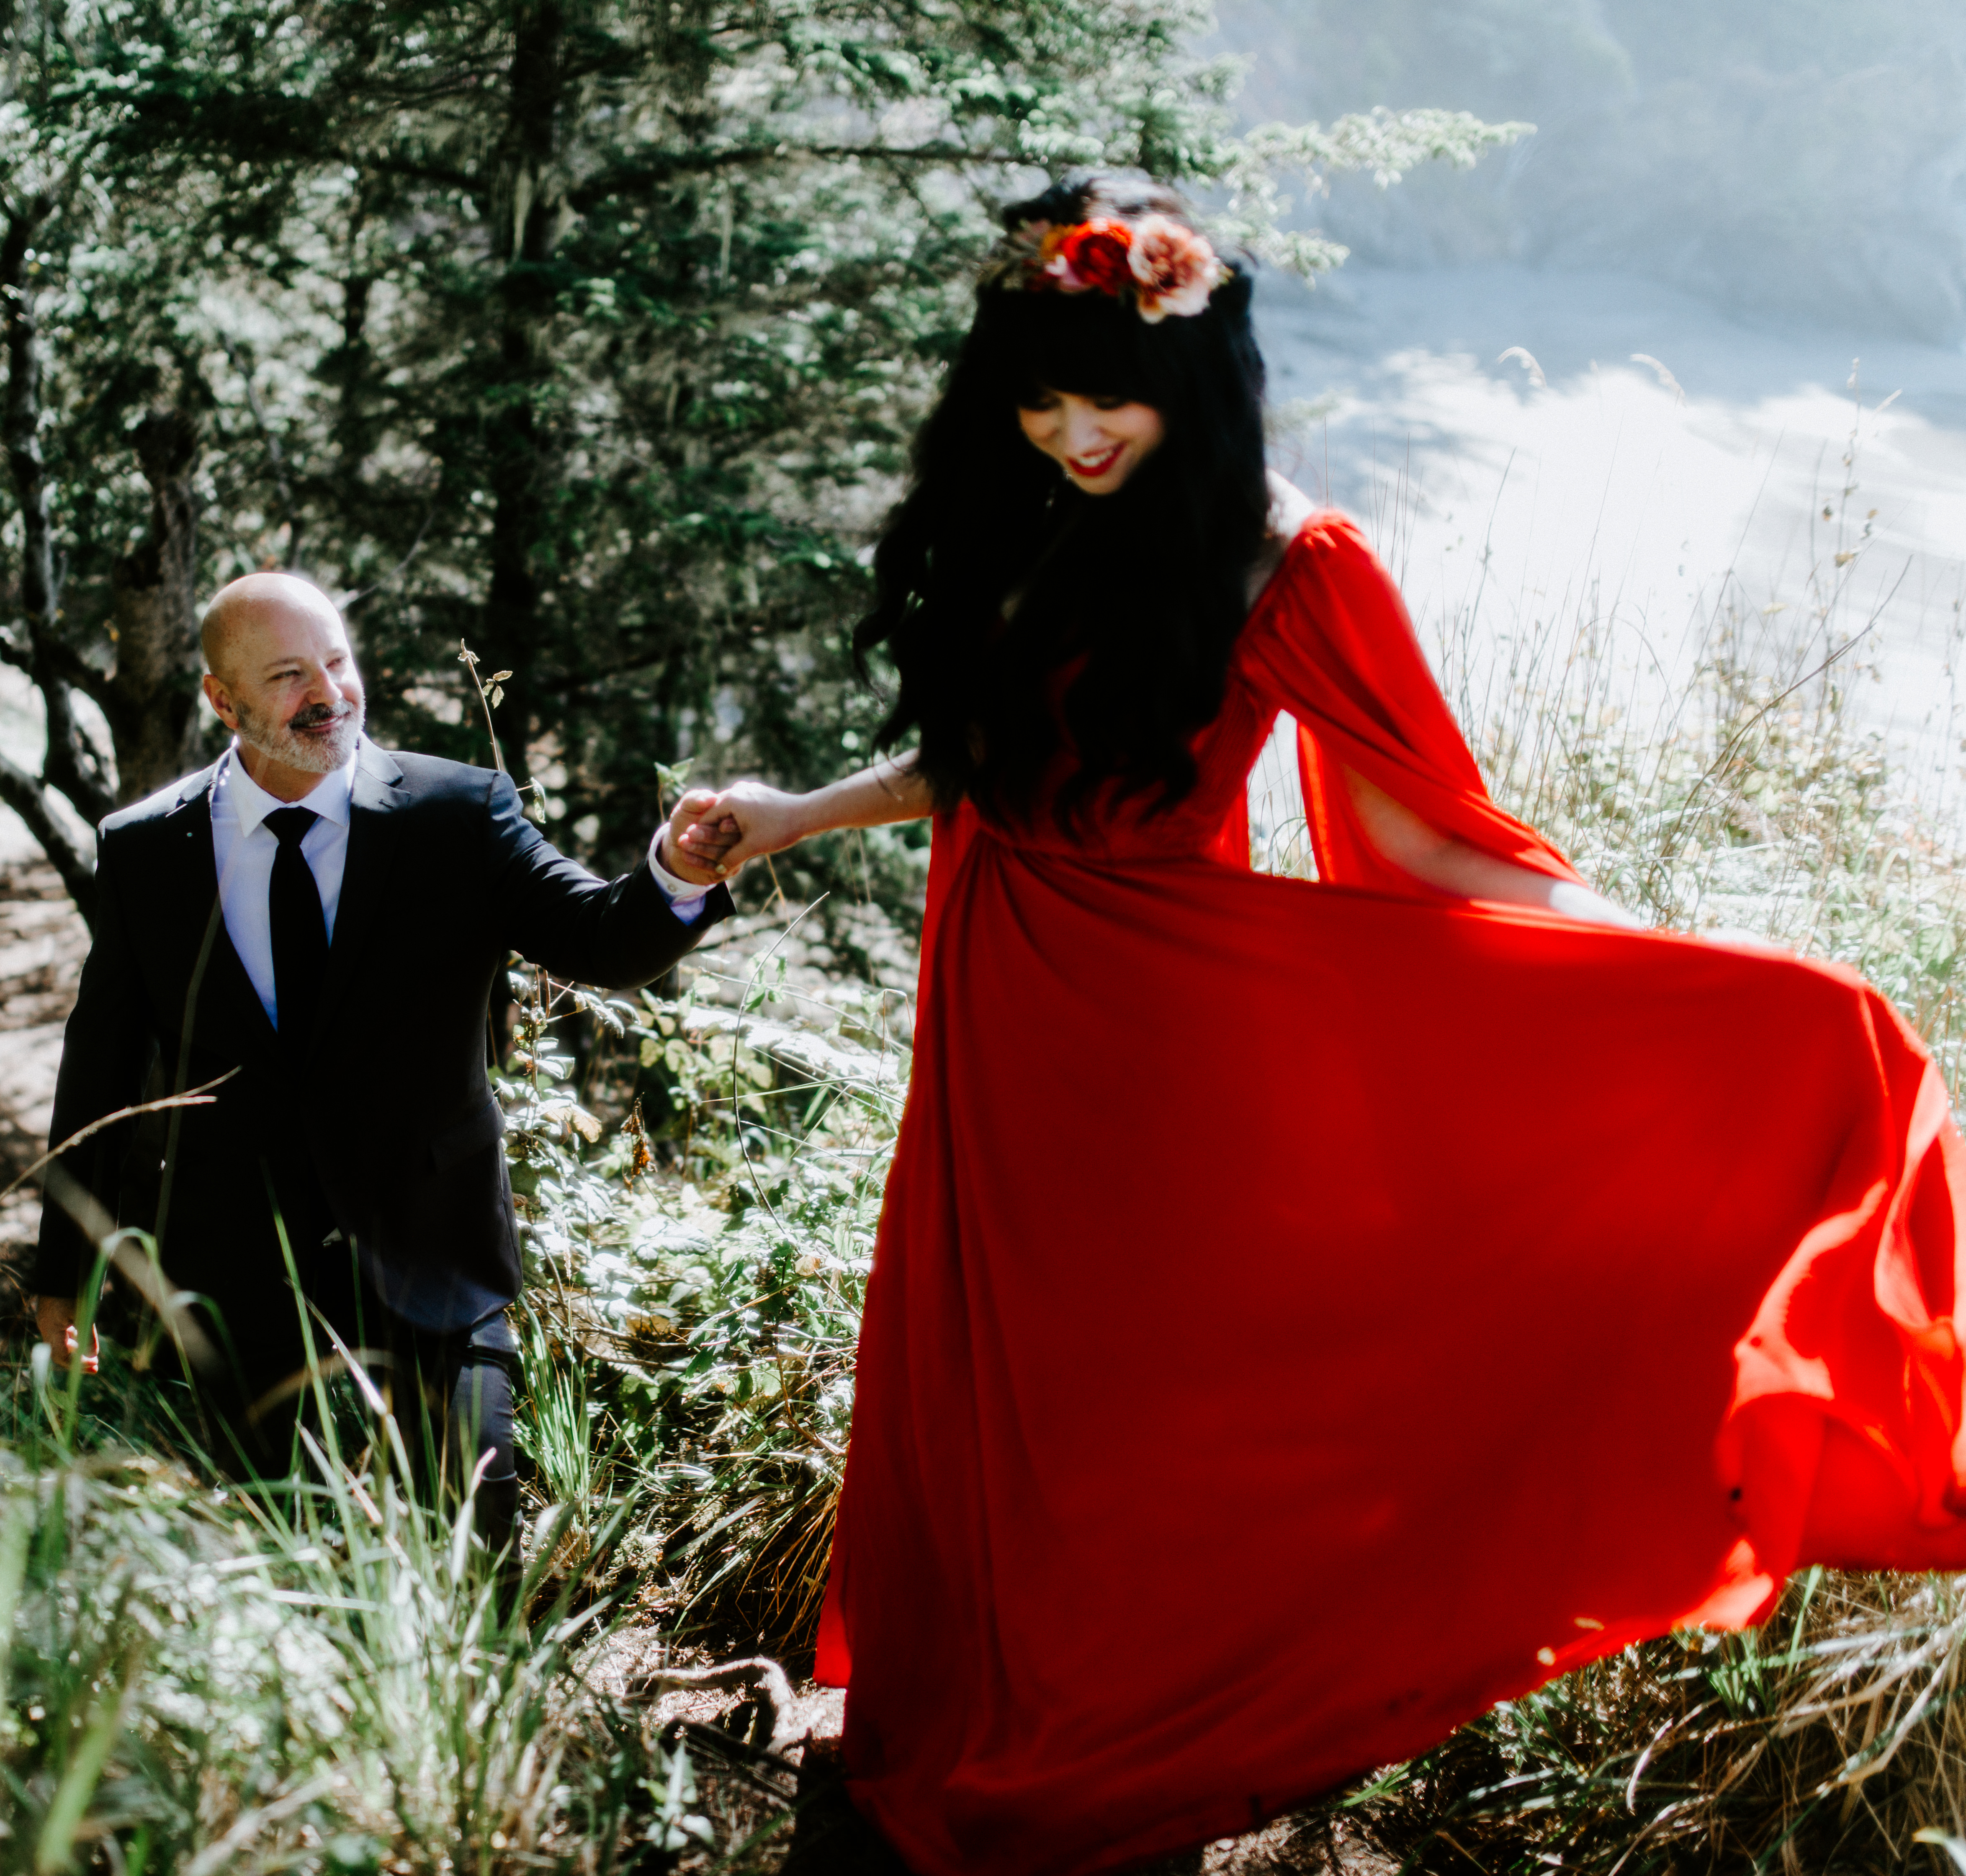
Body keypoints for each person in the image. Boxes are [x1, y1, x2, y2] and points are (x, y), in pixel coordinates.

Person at [673, 173, 1966, 1874]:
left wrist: (1663, 962)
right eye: (1042, 400)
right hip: (995, 1012)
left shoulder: (1289, 559)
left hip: (1159, 1038)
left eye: (1108, 399)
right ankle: (973, 1720)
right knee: (990, 1394)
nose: (1074, 432)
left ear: (1196, 382)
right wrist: (789, 811)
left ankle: (1115, 1767)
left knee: (1128, 1424)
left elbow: (1426, 836)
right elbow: (988, 762)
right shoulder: (1044, 507)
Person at [30, 572, 733, 1537]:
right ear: (220, 699)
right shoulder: (148, 849)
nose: (328, 693)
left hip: (436, 1269)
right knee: (292, 1579)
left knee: (473, 1555)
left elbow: (599, 936)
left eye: (336, 660)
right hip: (242, 1291)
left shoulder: (458, 812)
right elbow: (102, 1068)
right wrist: (64, 1270)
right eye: (287, 675)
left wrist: (676, 875)